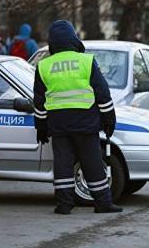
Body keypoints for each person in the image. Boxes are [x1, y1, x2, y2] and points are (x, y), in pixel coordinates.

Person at [33, 20, 122, 215]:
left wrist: (40, 126)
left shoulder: (44, 66)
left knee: (63, 163)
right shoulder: (86, 61)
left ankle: (64, 204)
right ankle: (103, 203)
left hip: (58, 124)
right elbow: (102, 93)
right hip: (86, 122)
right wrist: (109, 118)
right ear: (73, 38)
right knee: (93, 162)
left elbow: (39, 101)